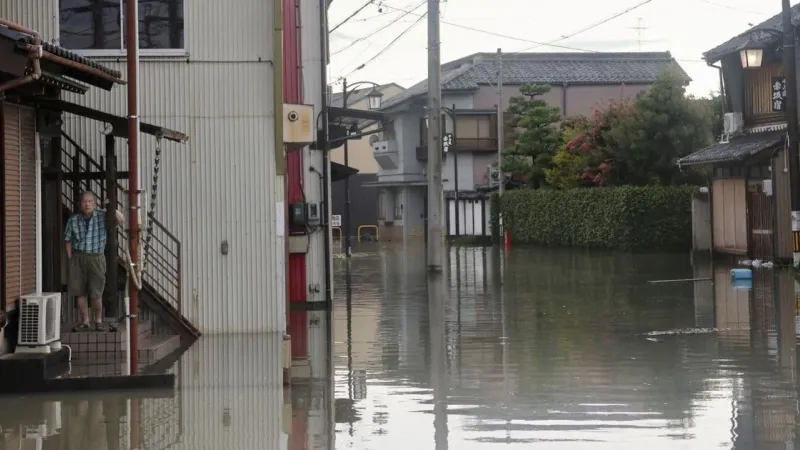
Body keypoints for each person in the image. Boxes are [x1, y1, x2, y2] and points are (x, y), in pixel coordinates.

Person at [64, 191, 124, 332]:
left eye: (90, 201)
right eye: (84, 201)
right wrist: (70, 257)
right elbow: (67, 239)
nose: (87, 204)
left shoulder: (102, 216)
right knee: (79, 291)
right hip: (78, 256)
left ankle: (98, 320)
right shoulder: (73, 220)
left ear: (95, 203)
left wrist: (110, 208)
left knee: (96, 292)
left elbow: (121, 220)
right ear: (80, 204)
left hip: (96, 256)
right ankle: (85, 321)